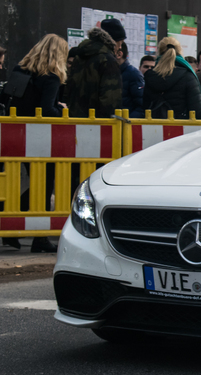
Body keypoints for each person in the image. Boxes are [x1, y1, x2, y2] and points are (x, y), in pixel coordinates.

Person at [2, 34, 70, 253]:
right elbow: (47, 109)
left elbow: (6, 98)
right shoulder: (50, 76)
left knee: (14, 182)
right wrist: (63, 109)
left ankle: (8, 221)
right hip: (40, 138)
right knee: (45, 183)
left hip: (14, 135)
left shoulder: (19, 70)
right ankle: (39, 238)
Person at [64, 18, 124, 118]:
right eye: (120, 43)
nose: (121, 47)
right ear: (113, 41)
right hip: (97, 124)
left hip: (74, 119)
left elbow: (69, 88)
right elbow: (110, 100)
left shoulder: (79, 56)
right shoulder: (108, 61)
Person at [143, 37, 201, 119]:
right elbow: (198, 112)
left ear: (159, 53)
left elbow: (145, 107)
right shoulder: (188, 76)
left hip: (154, 128)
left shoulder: (150, 76)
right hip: (182, 129)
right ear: (180, 53)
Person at [116, 42, 144, 118]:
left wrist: (127, 122)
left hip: (125, 124)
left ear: (119, 54)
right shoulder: (109, 73)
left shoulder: (133, 74)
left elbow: (141, 106)